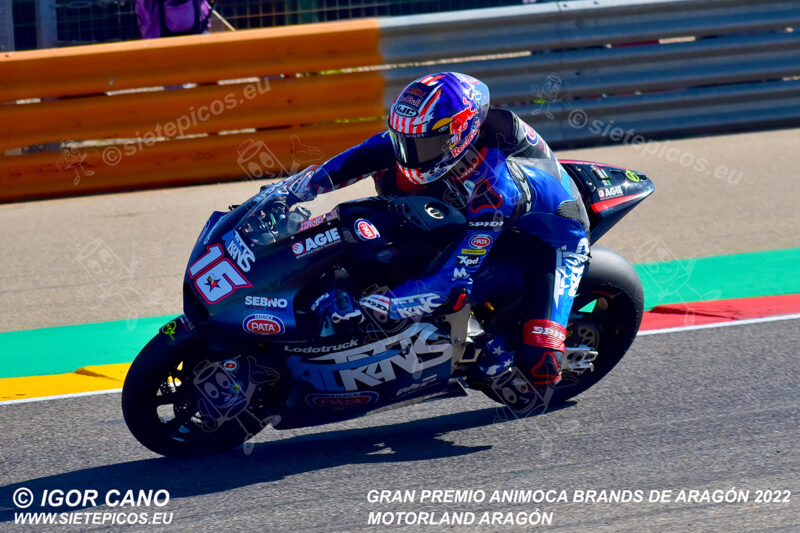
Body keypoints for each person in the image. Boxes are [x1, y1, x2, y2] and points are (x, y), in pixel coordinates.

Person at [273, 72, 590, 392]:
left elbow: (450, 283)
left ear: (459, 134)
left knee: (539, 364)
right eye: (404, 142)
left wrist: (374, 307)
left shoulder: (494, 188)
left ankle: (512, 347)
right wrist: (288, 194)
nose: (409, 154)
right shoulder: (426, 138)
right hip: (479, 208)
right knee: (388, 218)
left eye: (422, 146)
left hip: (549, 241)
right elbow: (349, 163)